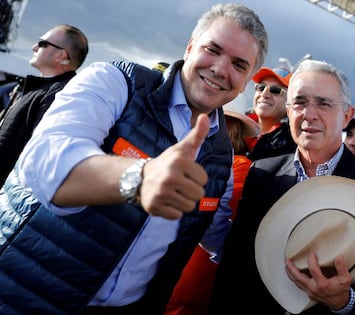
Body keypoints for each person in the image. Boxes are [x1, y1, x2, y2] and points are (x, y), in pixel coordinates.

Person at [0, 3, 268, 315]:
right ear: (191, 46)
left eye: (238, 64)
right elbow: (44, 166)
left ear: (247, 79)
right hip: (21, 293)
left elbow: (215, 237)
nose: (221, 69)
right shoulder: (115, 82)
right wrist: (139, 177)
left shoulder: (221, 155)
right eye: (213, 49)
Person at [209, 59, 355, 314]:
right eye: (300, 102)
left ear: (346, 116)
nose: (310, 114)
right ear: (288, 110)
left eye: (324, 103)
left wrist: (344, 302)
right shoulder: (262, 172)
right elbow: (236, 267)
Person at [164, 95, 258, 315]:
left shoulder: (238, 165)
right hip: (189, 263)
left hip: (194, 265)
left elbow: (216, 220)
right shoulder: (237, 165)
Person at [0, 24, 89, 186]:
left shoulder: (61, 96)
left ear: (61, 56)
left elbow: (36, 157)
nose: (34, 47)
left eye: (42, 44)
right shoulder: (36, 89)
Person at [245, 66, 296, 161]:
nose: (264, 94)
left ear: (290, 102)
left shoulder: (294, 145)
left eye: (275, 90)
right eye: (261, 87)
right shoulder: (234, 127)